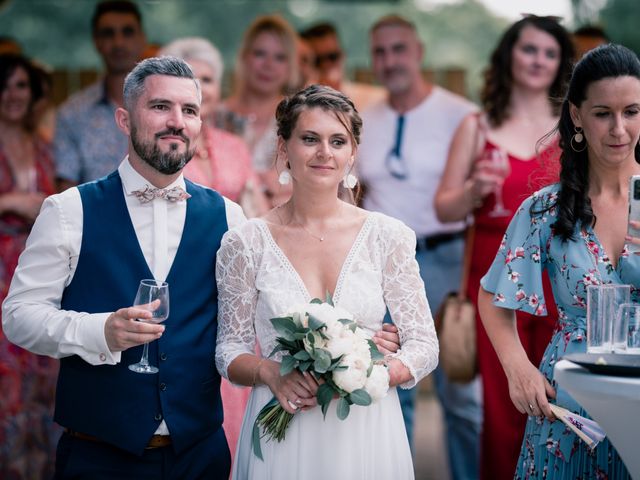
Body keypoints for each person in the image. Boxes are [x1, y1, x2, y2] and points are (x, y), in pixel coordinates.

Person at [2, 56, 244, 479]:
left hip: (200, 456)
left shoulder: (230, 218)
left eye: (189, 110)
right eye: (159, 107)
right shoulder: (68, 210)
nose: (177, 121)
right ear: (124, 119)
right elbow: (19, 316)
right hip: (99, 457)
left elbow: (249, 322)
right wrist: (99, 332)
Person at [215, 84, 437, 480]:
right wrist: (270, 372)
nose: (324, 153)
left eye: (338, 141)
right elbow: (228, 350)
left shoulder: (388, 236)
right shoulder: (245, 242)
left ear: (352, 154)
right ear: (283, 148)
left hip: (366, 428)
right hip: (282, 425)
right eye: (309, 139)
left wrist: (369, 373)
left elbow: (424, 345)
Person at [478, 43, 638, 479]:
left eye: (632, 111)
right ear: (576, 116)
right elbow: (493, 296)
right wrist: (517, 369)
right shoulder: (542, 209)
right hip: (567, 413)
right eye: (603, 112)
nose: (619, 128)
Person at [434, 15, 574, 479]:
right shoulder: (477, 126)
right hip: (495, 279)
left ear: (561, 63)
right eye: (529, 49)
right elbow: (444, 208)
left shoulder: (574, 125)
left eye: (549, 52)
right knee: (502, 405)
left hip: (563, 274)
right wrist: (474, 189)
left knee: (562, 396)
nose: (538, 60)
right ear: (509, 55)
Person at [356, 14, 482, 478]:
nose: (390, 61)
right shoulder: (366, 119)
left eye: (398, 49)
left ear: (419, 52)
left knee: (460, 391)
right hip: (383, 265)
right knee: (391, 382)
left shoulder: (459, 114)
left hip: (446, 256)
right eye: (380, 52)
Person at [0, 53, 59, 480]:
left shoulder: (44, 145)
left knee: (43, 374)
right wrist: (13, 203)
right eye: (4, 85)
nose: (12, 94)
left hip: (40, 271)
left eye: (21, 85)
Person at [159, 37, 269, 217]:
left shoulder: (234, 146)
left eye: (207, 80)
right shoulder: (153, 145)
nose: (199, 89)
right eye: (189, 78)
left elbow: (260, 215)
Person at [53, 0, 146, 191]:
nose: (118, 42)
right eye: (108, 33)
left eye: (127, 32)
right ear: (96, 41)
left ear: (142, 39)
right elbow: (66, 191)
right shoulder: (72, 114)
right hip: (95, 218)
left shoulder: (167, 106)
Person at [219, 14, 298, 208]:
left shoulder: (299, 118)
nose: (268, 65)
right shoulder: (216, 115)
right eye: (260, 54)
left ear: (290, 66)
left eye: (279, 57)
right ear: (244, 57)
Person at [300, 22, 385, 112]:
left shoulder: (374, 99)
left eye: (332, 56)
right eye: (318, 60)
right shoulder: (299, 104)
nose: (326, 65)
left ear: (343, 55)